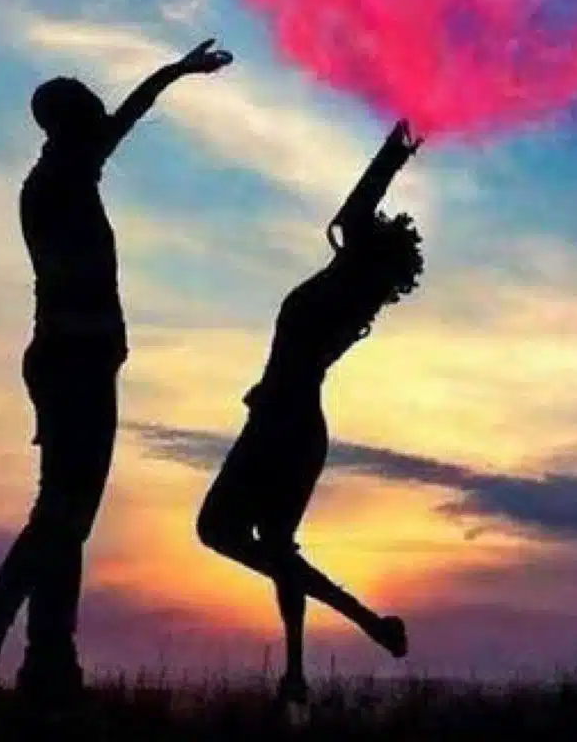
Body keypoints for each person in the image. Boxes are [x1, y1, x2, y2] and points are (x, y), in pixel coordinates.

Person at [0, 38, 233, 706]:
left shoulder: (64, 177)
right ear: (67, 125)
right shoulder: (57, 184)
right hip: (73, 363)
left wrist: (176, 71)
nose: (103, 121)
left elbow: (124, 118)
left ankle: (48, 663)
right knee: (59, 517)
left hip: (79, 361)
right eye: (90, 112)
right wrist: (175, 73)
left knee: (66, 521)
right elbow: (122, 124)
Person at [196, 120, 425, 712]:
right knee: (276, 547)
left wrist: (391, 154)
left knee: (220, 531)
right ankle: (310, 663)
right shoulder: (351, 292)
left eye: (372, 230)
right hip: (293, 421)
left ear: (372, 249)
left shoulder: (344, 288)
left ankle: (357, 628)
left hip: (283, 421)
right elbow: (353, 217)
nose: (363, 225)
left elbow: (353, 211)